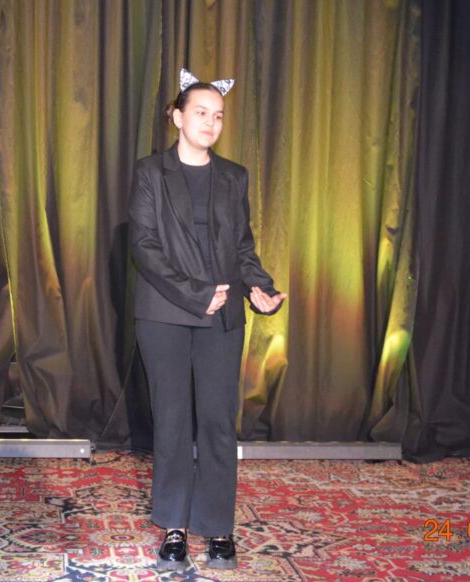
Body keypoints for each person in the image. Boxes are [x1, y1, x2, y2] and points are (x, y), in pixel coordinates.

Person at [128, 68, 287, 570]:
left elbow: (242, 247)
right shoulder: (150, 172)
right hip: (166, 314)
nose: (210, 123)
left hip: (222, 318)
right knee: (173, 420)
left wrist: (260, 287)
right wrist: (198, 294)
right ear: (176, 117)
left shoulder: (234, 176)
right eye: (200, 112)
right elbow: (144, 247)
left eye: (217, 116)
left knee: (218, 421)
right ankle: (174, 525)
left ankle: (218, 527)